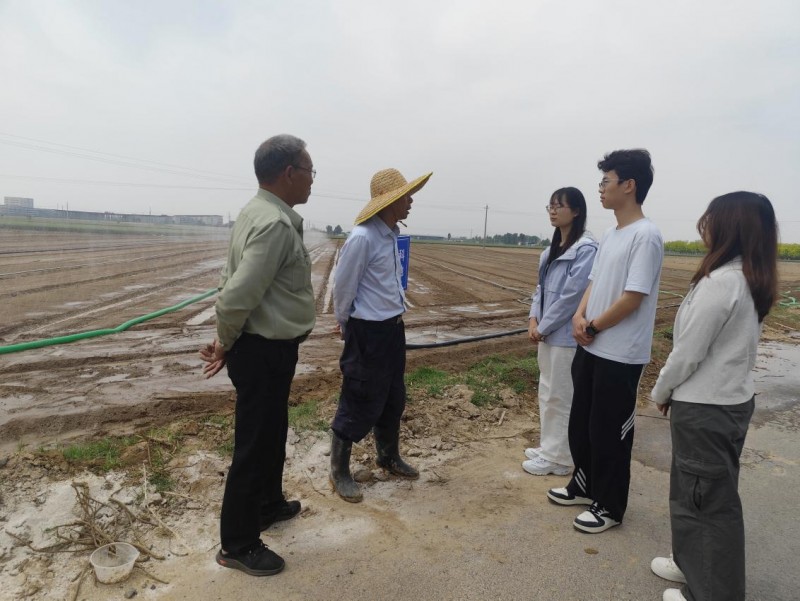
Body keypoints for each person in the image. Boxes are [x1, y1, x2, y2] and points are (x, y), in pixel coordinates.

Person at [649, 192, 778, 601]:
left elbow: (687, 351)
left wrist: (661, 389)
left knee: (707, 502)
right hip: (729, 401)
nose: (703, 226)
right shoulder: (750, 277)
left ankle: (710, 591)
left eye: (709, 220)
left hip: (706, 406)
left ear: (728, 226)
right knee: (699, 490)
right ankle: (689, 562)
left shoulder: (722, 283)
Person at [199, 134, 316, 576]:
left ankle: (267, 504)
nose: (311, 181)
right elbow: (234, 297)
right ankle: (238, 543)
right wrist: (225, 342)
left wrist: (228, 340)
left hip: (266, 347)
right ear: (289, 173)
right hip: (263, 349)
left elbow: (233, 281)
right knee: (254, 443)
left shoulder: (257, 211)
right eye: (309, 172)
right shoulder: (274, 224)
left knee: (271, 432)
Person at [546, 149, 663, 534]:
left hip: (620, 352)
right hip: (591, 344)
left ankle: (610, 506)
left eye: (605, 181)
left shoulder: (645, 236)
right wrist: (580, 317)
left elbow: (633, 296)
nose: (600, 189)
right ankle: (585, 485)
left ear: (629, 186)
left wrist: (592, 325)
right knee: (582, 423)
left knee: (610, 431)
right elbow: (594, 284)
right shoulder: (612, 234)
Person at [329, 167, 432, 503]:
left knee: (392, 396)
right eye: (406, 196)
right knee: (359, 396)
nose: (411, 201)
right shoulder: (362, 237)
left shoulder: (389, 234)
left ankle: (387, 456)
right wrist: (345, 324)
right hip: (367, 333)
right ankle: (339, 470)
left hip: (392, 330)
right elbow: (343, 287)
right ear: (390, 202)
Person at [523, 187, 597, 476]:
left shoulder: (585, 250)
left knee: (562, 395)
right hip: (548, 333)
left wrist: (543, 327)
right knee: (547, 390)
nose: (553, 211)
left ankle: (563, 457)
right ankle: (550, 447)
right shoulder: (550, 251)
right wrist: (533, 320)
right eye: (550, 206)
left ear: (576, 211)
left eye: (559, 206)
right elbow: (540, 290)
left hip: (566, 336)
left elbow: (571, 296)